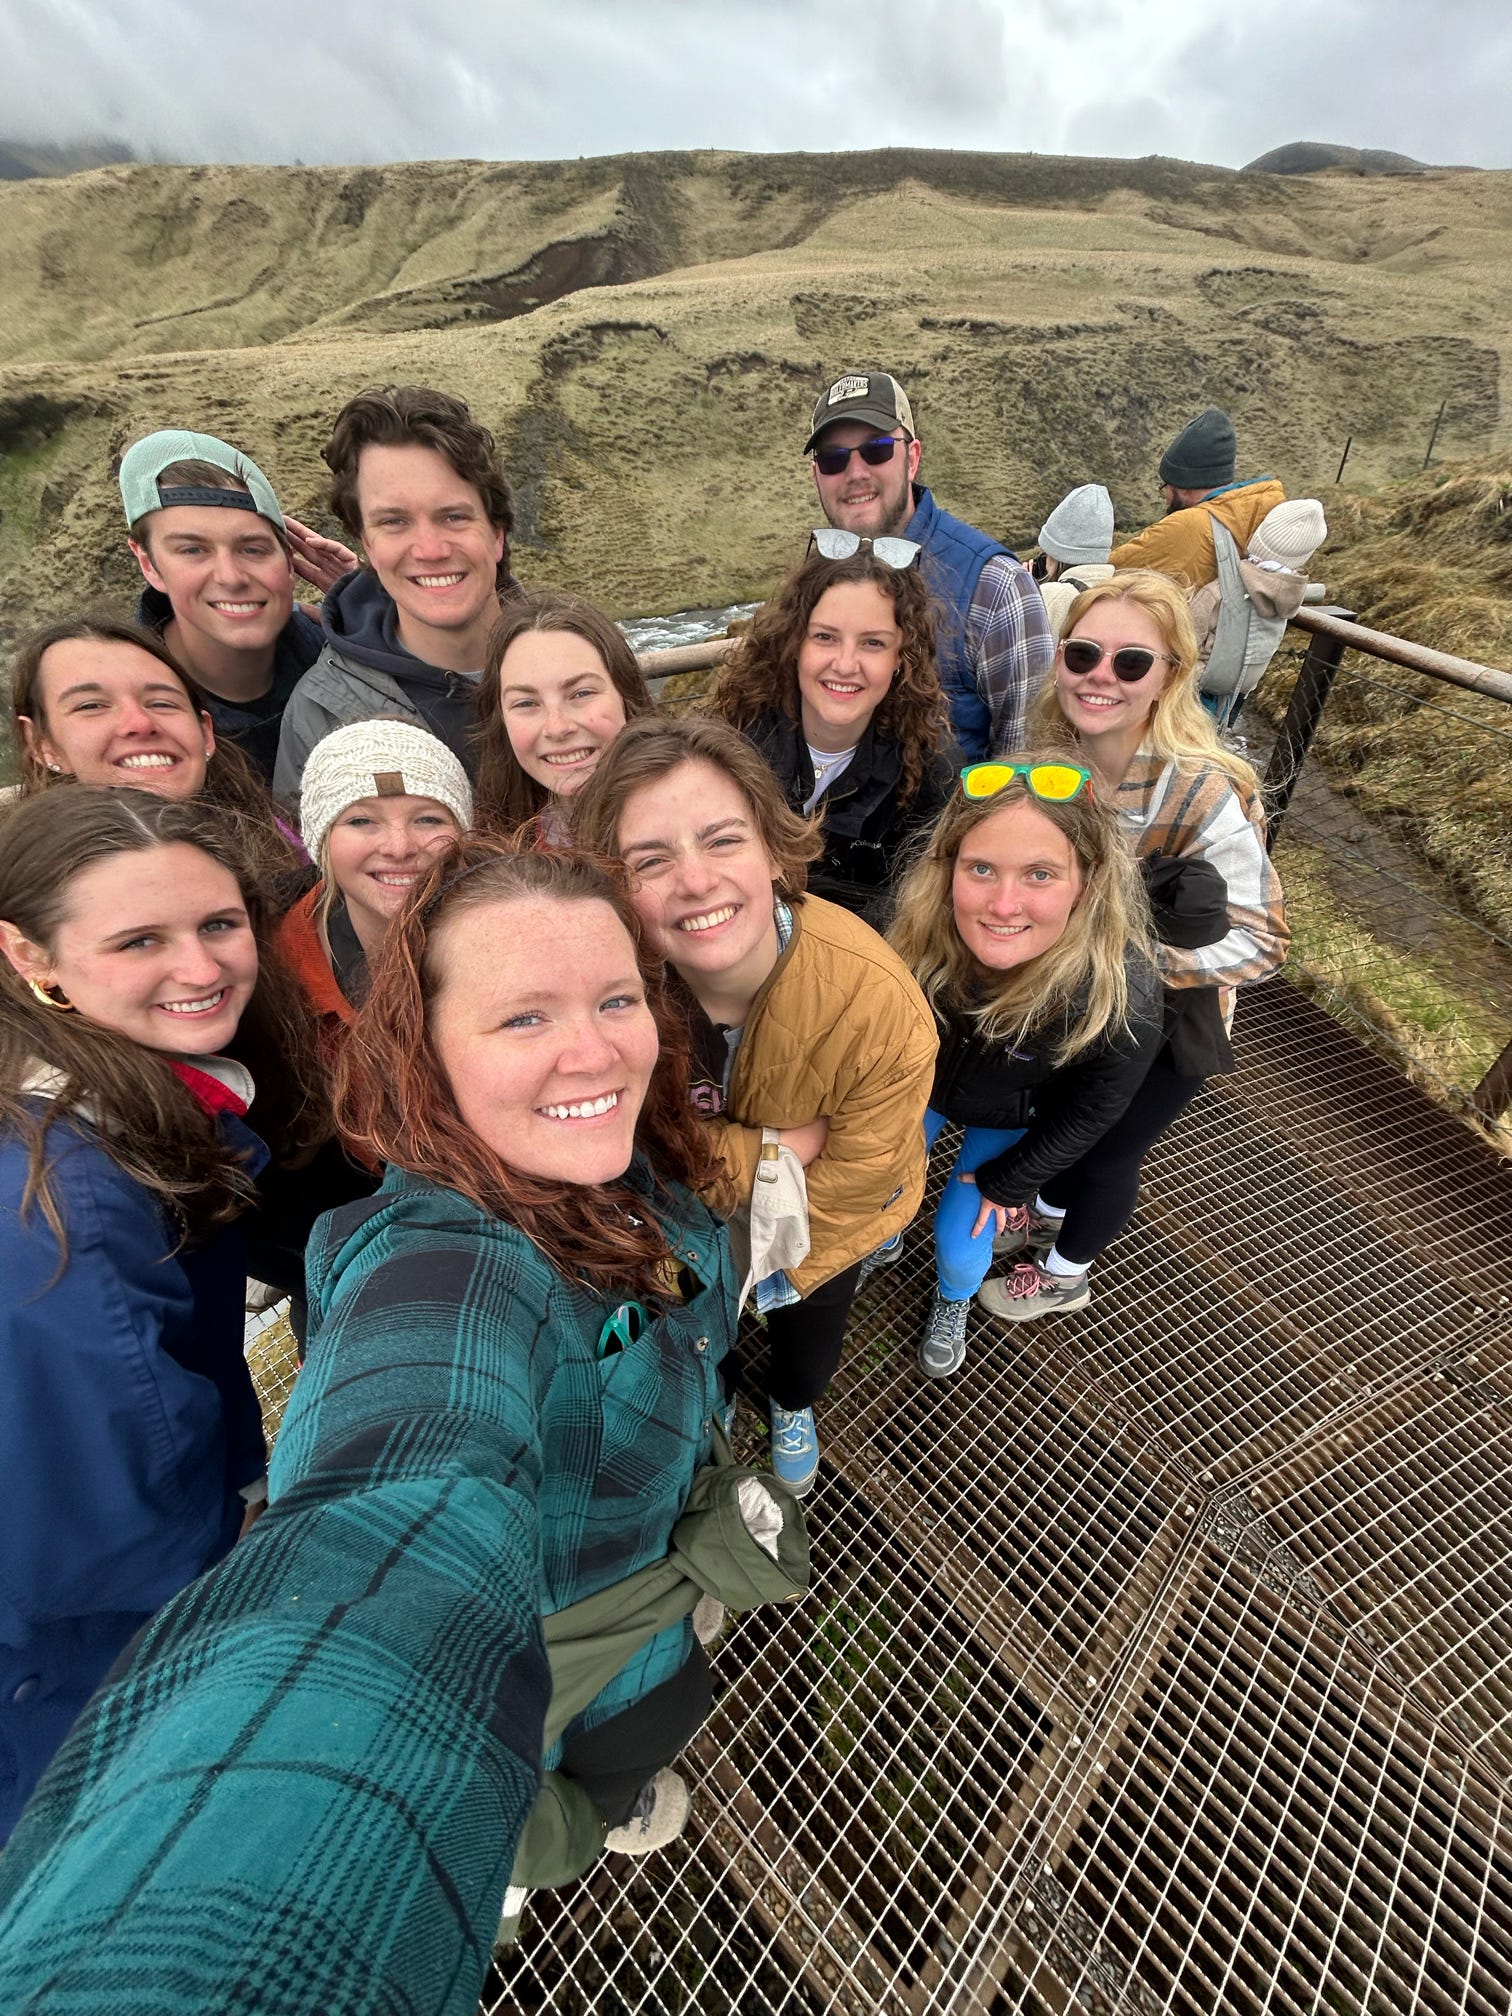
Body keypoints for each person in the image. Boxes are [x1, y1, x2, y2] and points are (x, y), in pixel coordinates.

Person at [0, 840, 765, 2012]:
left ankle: (585, 1812)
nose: (594, 1047)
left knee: (625, 1758)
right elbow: (393, 1524)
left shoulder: (621, 1159)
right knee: (526, 1808)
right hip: (530, 1650)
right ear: (428, 1050)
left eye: (616, 998)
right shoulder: (439, 1263)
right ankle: (512, 1856)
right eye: (521, 1018)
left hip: (648, 1612)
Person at [0, 786, 324, 1842]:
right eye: (141, 940)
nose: (201, 969)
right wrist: (241, 1549)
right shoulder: (70, 1211)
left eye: (219, 925)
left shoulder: (111, 1105)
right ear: (30, 955)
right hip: (80, 1664)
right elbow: (108, 1526)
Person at [574, 714, 938, 1495]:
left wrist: (734, 1220)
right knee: (708, 1332)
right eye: (651, 859)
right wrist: (783, 1146)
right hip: (690, 1227)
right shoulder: (604, 994)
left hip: (827, 1229)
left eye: (723, 839)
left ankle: (794, 1403)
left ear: (775, 849)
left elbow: (854, 1183)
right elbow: (617, 1145)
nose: (696, 879)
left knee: (805, 1344)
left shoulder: (876, 1004)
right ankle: (726, 1379)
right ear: (616, 886)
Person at [980, 570, 1289, 1320]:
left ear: (1171, 677)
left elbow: (1266, 940)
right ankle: (1050, 1209)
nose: (1099, 679)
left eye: (1130, 663)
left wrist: (1122, 966)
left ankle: (1065, 1272)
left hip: (1172, 1020)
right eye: (1083, 655)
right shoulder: (1051, 759)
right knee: (1072, 1127)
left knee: (1113, 1151)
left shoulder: (1203, 793)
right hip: (1084, 1005)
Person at [889, 760, 1164, 1375]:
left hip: (1012, 1111)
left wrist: (1012, 1180)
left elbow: (1095, 1108)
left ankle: (954, 1297)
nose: (1003, 905)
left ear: (1087, 884)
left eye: (1039, 874)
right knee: (881, 1193)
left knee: (964, 1241)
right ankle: (880, 1240)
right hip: (917, 1088)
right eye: (980, 868)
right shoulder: (914, 932)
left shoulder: (1120, 995)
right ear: (947, 869)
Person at [274, 385, 519, 799]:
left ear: (497, 534)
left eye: (454, 516)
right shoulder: (319, 713)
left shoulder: (583, 662)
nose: (431, 550)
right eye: (394, 522)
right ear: (366, 543)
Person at [805, 370, 1052, 761]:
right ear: (817, 475)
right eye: (834, 459)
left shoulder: (996, 587)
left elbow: (1027, 763)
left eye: (878, 449)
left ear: (912, 457)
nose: (855, 473)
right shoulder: (811, 577)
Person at [708, 542, 955, 922]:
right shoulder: (728, 740)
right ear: (794, 643)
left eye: (873, 643)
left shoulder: (931, 770)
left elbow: (917, 907)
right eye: (825, 637)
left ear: (900, 658)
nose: (845, 664)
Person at [119, 429, 350, 784]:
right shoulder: (124, 718)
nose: (231, 577)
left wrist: (384, 617)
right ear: (148, 563)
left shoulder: (346, 654)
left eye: (253, 549)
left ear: (290, 562)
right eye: (192, 550)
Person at [7, 615, 304, 880]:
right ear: (40, 743)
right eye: (92, 705)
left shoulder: (289, 851)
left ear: (205, 733)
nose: (140, 723)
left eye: (162, 703)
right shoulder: (19, 897)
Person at [278, 719, 474, 1035]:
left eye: (427, 819)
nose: (399, 848)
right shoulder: (279, 974)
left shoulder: (513, 937)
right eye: (361, 821)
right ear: (321, 841)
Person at [473, 588, 656, 841]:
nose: (557, 728)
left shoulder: (703, 815)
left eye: (581, 694)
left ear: (626, 694)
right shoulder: (498, 848)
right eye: (526, 703)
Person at [1108, 408, 1285, 591]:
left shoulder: (1186, 527)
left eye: (1166, 486)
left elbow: (1108, 571)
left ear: (1184, 486)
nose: (1166, 498)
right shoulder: (1264, 511)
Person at [1189, 497, 1327, 728]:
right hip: (1237, 692)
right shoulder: (1288, 597)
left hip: (1195, 690)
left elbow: (1184, 636)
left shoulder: (1220, 591)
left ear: (1258, 537)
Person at [1033, 484, 1116, 641]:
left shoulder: (1051, 596)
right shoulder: (1117, 593)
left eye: (1048, 554)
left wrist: (1028, 592)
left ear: (1058, 555)